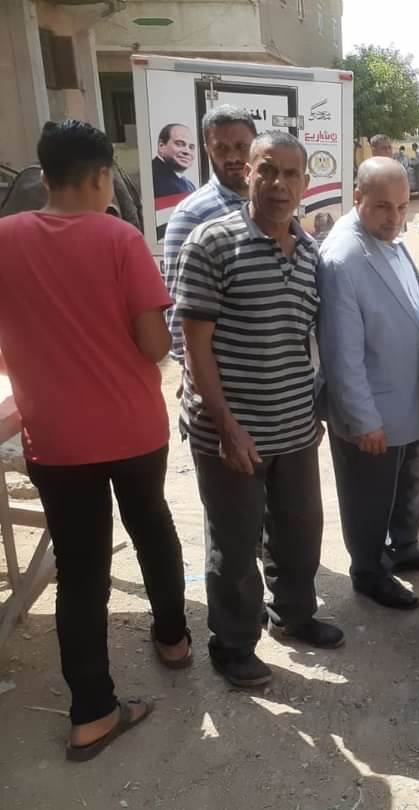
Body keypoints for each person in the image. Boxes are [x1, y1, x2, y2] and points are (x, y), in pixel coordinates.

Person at [0, 121, 190, 760]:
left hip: (55, 439)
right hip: (132, 429)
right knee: (152, 528)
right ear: (103, 175)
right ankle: (174, 641)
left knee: (81, 572)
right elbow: (155, 345)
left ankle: (91, 713)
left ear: (45, 176)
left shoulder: (4, 239)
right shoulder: (120, 239)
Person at [175, 131, 344, 688]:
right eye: (267, 170)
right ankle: (232, 644)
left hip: (293, 425)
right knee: (234, 543)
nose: (278, 185)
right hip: (230, 431)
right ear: (247, 172)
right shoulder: (212, 243)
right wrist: (226, 426)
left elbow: (303, 342)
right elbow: (195, 347)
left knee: (299, 531)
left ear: (305, 184)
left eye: (291, 174)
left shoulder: (311, 253)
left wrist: (312, 412)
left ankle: (293, 614)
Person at [318, 158, 419, 611]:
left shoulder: (389, 241)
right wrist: (362, 419)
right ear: (357, 198)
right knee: (369, 500)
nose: (394, 218)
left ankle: (406, 546)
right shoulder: (343, 259)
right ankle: (369, 571)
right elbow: (342, 354)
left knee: (408, 488)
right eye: (382, 207)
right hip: (373, 413)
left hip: (407, 400)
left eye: (401, 206)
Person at [163, 106, 257, 361]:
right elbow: (178, 308)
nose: (233, 157)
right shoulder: (191, 215)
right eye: (221, 148)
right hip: (218, 373)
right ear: (207, 150)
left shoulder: (269, 206)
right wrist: (193, 373)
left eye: (242, 146)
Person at [151, 123, 197, 199]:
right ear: (161, 146)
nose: (187, 151)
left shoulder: (188, 184)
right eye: (179, 144)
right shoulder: (153, 178)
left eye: (191, 147)